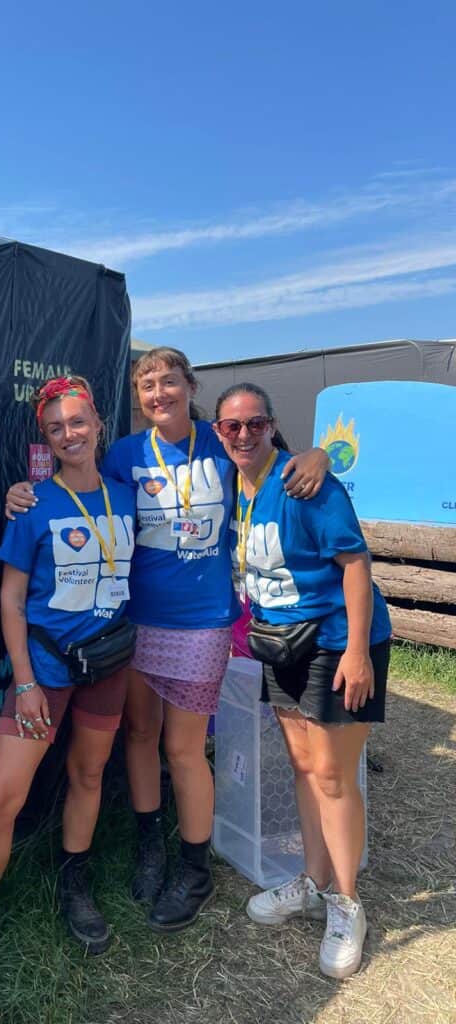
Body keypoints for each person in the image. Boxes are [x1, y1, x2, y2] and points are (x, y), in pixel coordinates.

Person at [7, 348, 329, 934]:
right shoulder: (126, 454)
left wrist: (320, 454)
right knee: (140, 734)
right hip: (133, 619)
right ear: (137, 399)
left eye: (169, 381)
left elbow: (277, 458)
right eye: (148, 385)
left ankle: (194, 868)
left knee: (183, 749)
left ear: (190, 386)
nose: (160, 394)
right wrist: (19, 494)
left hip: (202, 619)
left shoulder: (221, 442)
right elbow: (81, 496)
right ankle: (149, 842)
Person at [0, 376, 136, 996]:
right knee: (1, 799)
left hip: (107, 664)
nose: (70, 434)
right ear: (45, 440)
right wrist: (23, 682)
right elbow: (11, 599)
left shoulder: (128, 497)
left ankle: (75, 885)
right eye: (56, 428)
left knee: (89, 776)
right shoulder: (33, 505)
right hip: (43, 672)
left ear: (98, 423)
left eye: (77, 422)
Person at [212, 381, 391, 980]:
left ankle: (347, 903)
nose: (244, 434)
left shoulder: (303, 482)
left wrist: (359, 653)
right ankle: (313, 882)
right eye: (232, 426)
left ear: (271, 425)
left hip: (337, 642)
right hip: (281, 643)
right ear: (218, 433)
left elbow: (355, 562)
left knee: (334, 777)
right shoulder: (233, 485)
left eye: (255, 423)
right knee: (304, 768)